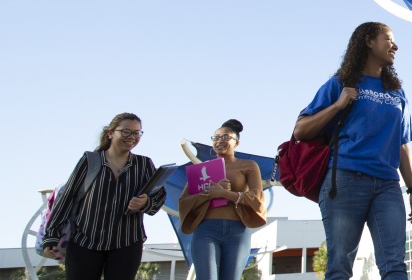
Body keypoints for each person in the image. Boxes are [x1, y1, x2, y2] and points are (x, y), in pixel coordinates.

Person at [294, 22, 412, 280]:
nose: (395, 45)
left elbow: (401, 143)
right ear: (368, 41)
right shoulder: (339, 84)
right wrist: (338, 105)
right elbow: (301, 130)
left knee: (395, 264)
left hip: (387, 186)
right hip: (344, 181)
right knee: (340, 266)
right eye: (388, 39)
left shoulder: (397, 93)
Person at [42, 112, 167, 280]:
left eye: (137, 133)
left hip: (127, 242)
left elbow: (159, 197)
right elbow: (68, 198)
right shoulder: (90, 160)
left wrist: (145, 203)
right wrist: (51, 235)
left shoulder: (144, 164)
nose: (132, 137)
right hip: (85, 241)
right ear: (110, 133)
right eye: (126, 131)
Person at [179, 119, 267, 280]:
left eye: (226, 137)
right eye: (216, 137)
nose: (220, 140)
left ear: (237, 142)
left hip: (238, 231)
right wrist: (209, 194)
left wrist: (227, 194)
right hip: (206, 230)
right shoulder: (202, 168)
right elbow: (184, 202)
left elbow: (257, 198)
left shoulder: (249, 165)